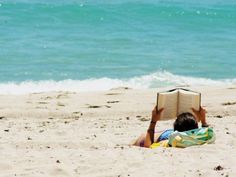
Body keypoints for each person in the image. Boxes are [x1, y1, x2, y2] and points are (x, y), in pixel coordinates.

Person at [133, 106, 209, 148]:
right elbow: (207, 134)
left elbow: (148, 146)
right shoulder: (199, 137)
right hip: (160, 134)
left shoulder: (172, 140)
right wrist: (203, 120)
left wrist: (153, 120)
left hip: (143, 140)